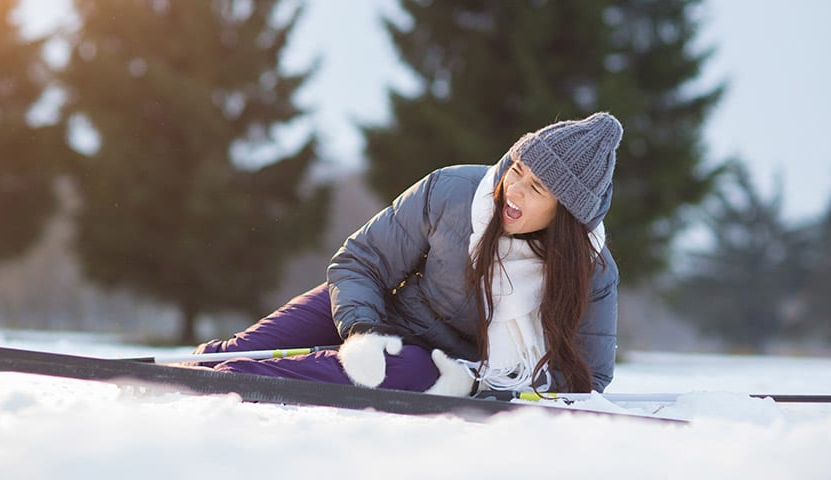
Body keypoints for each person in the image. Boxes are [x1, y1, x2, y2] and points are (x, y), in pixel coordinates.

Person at [192, 112, 623, 396]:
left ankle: (226, 384)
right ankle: (197, 368)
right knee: (243, 348)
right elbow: (361, 261)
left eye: (536, 189)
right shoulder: (454, 193)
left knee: (389, 371)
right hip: (379, 314)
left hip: (440, 365)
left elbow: (590, 376)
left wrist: (477, 385)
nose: (513, 190)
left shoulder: (592, 272)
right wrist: (364, 328)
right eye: (517, 170)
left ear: (566, 213)